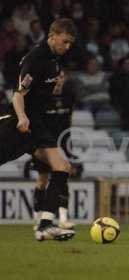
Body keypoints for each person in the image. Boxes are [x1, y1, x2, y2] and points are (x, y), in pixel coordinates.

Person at [0, 18, 77, 241]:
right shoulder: (36, 58)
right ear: (52, 36)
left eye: (70, 43)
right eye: (65, 42)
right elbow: (18, 94)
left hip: (38, 127)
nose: (67, 47)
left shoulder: (55, 59)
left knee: (62, 167)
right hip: (20, 125)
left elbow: (42, 92)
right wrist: (22, 117)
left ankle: (45, 225)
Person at [25, 70, 82, 231]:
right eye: (56, 78)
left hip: (60, 143)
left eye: (61, 78)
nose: (58, 81)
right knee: (42, 180)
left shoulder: (68, 98)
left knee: (63, 176)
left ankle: (63, 219)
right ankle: (37, 218)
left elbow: (67, 126)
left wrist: (69, 151)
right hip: (44, 145)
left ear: (64, 79)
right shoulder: (43, 98)